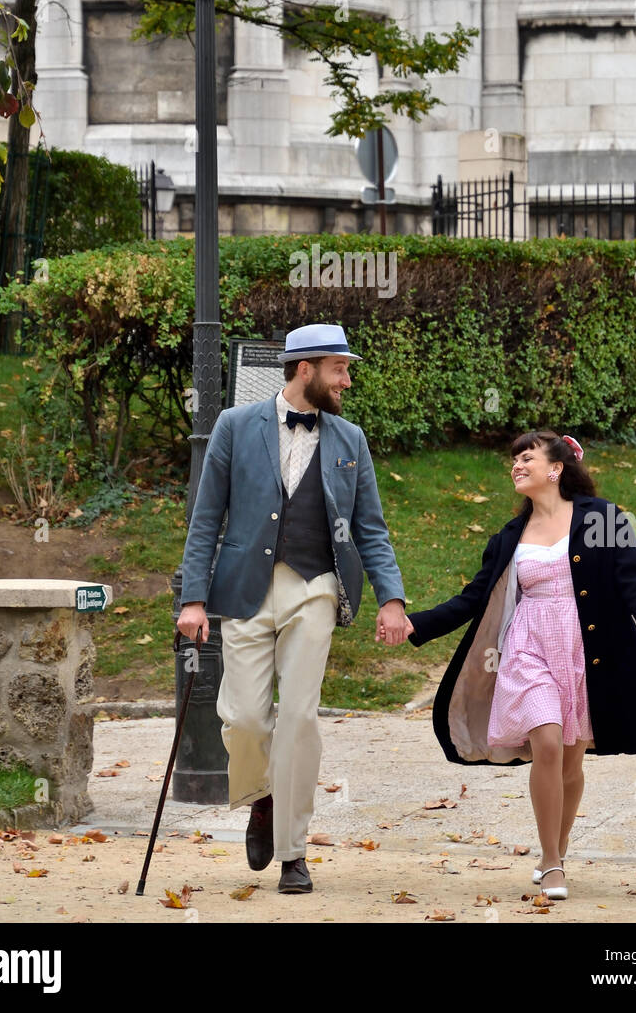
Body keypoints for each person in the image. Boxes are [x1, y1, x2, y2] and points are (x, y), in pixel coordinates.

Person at [176, 322, 408, 894]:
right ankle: (262, 798)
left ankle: (292, 851)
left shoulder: (351, 440)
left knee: (300, 718)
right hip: (244, 591)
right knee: (248, 720)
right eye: (339, 369)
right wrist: (193, 598)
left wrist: (392, 600)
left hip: (316, 588)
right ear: (306, 369)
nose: (347, 380)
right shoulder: (234, 426)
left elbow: (370, 528)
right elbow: (206, 519)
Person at [395, 429, 636, 900]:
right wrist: (414, 624)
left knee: (570, 756)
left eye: (527, 458)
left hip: (584, 648)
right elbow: (472, 598)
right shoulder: (510, 536)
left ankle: (558, 848)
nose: (517, 466)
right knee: (545, 739)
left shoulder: (603, 518)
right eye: (513, 461)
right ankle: (550, 863)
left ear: (556, 468)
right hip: (528, 645)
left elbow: (633, 577)